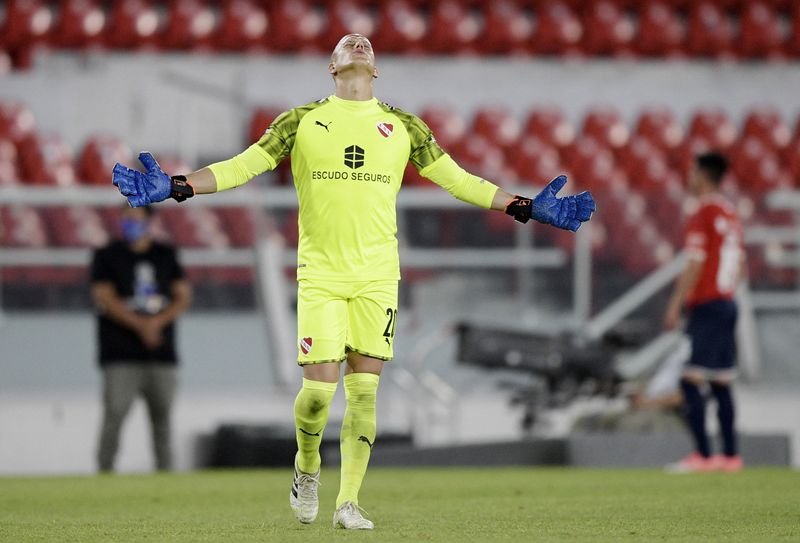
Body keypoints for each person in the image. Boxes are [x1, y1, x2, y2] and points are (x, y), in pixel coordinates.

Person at [110, 34, 595, 528]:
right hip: (320, 274)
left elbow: (460, 179)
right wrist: (178, 186)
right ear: (333, 67)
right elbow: (243, 166)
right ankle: (306, 467)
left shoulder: (404, 126)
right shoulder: (299, 122)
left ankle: (348, 503)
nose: (358, 43)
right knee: (319, 395)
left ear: (376, 69)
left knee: (364, 393)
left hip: (378, 276)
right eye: (348, 44)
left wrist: (525, 206)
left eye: (365, 44)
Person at [90, 204, 192, 473]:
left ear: (149, 221)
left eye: (135, 219)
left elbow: (182, 295)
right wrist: (140, 324)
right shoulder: (107, 255)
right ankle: (105, 472)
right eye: (126, 219)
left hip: (161, 354)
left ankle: (165, 475)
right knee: (114, 415)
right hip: (120, 353)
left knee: (163, 419)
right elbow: (104, 296)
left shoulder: (165, 254)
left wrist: (156, 322)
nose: (130, 225)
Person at [663, 152, 745, 473]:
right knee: (722, 380)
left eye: (693, 171)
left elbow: (695, 261)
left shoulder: (703, 211)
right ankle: (731, 456)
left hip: (707, 303)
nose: (689, 177)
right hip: (727, 301)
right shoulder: (730, 211)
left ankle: (703, 456)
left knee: (689, 378)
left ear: (704, 175)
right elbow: (739, 262)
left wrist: (676, 302)